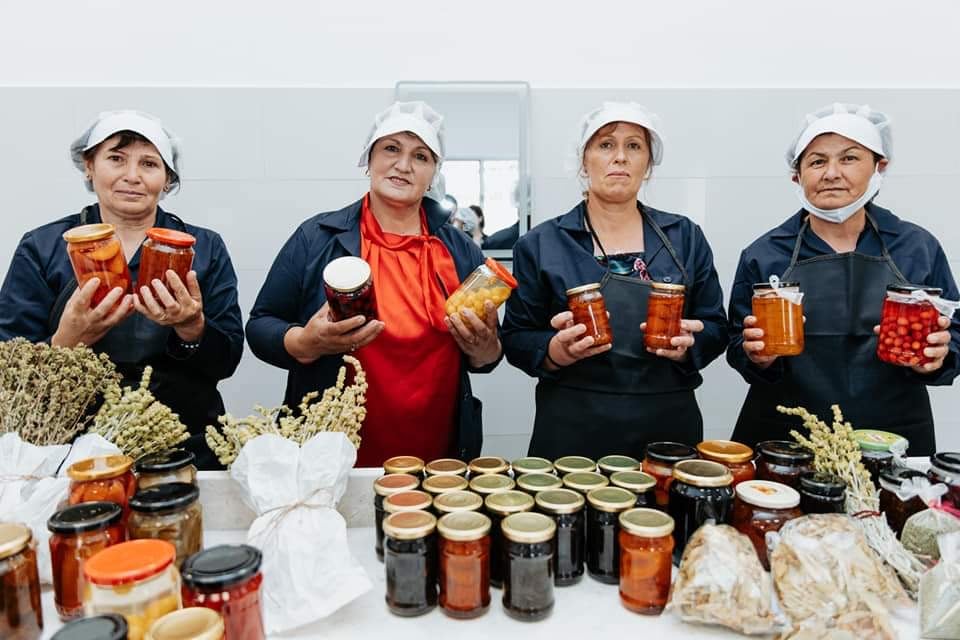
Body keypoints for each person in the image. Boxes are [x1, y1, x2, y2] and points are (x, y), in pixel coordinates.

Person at [246, 101, 501, 466]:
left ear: (433, 174)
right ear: (369, 159)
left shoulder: (459, 250)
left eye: (421, 156)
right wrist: (306, 342)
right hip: (331, 452)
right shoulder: (317, 237)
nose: (403, 165)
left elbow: (488, 357)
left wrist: (484, 347)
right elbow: (260, 326)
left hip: (437, 452)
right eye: (391, 149)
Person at [0, 110, 244, 468]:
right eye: (116, 159)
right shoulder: (43, 247)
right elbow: (9, 369)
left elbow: (227, 360)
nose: (132, 176)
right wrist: (66, 341)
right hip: (68, 444)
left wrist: (192, 328)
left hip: (183, 439)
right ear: (89, 166)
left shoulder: (202, 248)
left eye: (149, 163)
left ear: (167, 178)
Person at [727, 103, 960, 454]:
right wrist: (756, 356)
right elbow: (736, 343)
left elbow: (955, 334)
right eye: (817, 161)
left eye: (849, 158)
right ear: (797, 176)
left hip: (891, 435)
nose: (832, 173)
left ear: (880, 167)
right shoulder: (765, 253)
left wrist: (938, 357)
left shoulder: (917, 247)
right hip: (787, 437)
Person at [502, 102, 728, 460]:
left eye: (634, 146)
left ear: (648, 165)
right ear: (583, 160)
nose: (620, 157)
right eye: (606, 145)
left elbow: (716, 325)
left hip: (667, 422)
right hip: (572, 423)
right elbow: (515, 337)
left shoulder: (685, 236)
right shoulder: (541, 244)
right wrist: (555, 351)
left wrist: (691, 345)